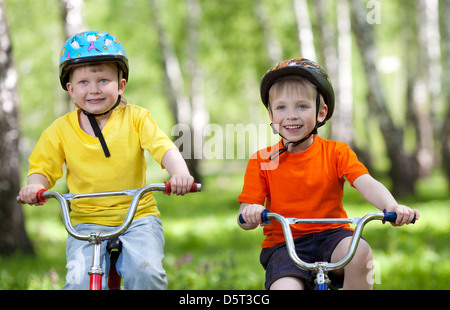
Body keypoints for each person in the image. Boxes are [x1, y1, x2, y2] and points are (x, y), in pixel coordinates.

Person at [18, 31, 194, 290]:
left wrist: (180, 173)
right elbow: (42, 166)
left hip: (138, 216)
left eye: (103, 80)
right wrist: (35, 185)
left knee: (147, 274)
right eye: (84, 82)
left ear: (121, 85)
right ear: (71, 89)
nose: (94, 89)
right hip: (85, 221)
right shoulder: (59, 130)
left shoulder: (136, 118)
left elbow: (163, 148)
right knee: (79, 282)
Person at [237, 58, 419, 290]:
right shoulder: (263, 160)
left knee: (360, 252)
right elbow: (244, 217)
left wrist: (391, 207)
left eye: (302, 106)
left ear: (321, 112)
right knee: (285, 288)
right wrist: (251, 213)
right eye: (281, 107)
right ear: (271, 115)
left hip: (333, 236)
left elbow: (365, 182)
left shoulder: (336, 152)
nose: (291, 115)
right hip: (285, 243)